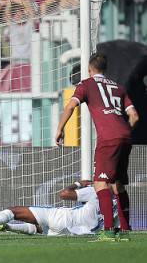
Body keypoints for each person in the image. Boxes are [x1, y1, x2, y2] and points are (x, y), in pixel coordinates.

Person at [55, 53, 139, 242]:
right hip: (125, 137)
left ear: (89, 69)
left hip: (108, 139)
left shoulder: (86, 85)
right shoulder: (119, 87)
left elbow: (70, 107)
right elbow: (134, 116)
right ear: (105, 69)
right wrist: (124, 131)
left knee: (100, 183)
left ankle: (108, 230)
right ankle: (125, 230)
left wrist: (60, 129)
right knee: (118, 184)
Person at [0, 181, 115, 238]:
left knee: (12, 211)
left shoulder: (98, 191)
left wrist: (79, 183)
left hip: (62, 218)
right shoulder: (118, 205)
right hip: (75, 233)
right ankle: (7, 227)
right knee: (39, 228)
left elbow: (64, 194)